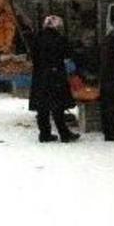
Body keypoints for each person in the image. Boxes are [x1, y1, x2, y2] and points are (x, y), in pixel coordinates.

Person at [29, 15, 80, 144]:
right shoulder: (59, 39)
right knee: (57, 106)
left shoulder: (37, 38)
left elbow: (32, 56)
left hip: (39, 77)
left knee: (42, 108)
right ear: (57, 26)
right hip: (55, 76)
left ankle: (45, 134)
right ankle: (64, 134)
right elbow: (68, 54)